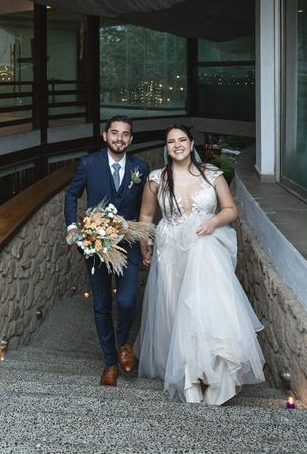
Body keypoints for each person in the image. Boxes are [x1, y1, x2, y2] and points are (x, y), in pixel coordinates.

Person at [134, 124, 265, 405]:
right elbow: (145, 215)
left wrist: (213, 221)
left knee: (205, 308)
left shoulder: (212, 174)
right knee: (173, 306)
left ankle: (210, 374)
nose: (177, 145)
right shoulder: (157, 178)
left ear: (192, 144)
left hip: (203, 248)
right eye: (171, 141)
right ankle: (183, 371)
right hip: (169, 251)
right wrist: (145, 246)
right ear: (166, 147)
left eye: (182, 140)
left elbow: (230, 210)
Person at [65, 115, 149, 387]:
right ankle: (110, 362)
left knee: (127, 300)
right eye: (115, 133)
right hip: (97, 247)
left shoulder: (141, 167)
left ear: (131, 139)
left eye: (125, 134)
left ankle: (124, 342)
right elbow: (71, 194)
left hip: (128, 245)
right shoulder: (89, 164)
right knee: (101, 305)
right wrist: (70, 226)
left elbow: (147, 207)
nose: (119, 138)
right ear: (105, 136)